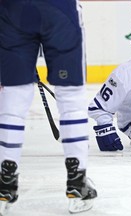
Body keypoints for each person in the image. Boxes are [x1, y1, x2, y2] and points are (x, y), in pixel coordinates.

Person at [0, 0, 97, 214]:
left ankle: (5, 180)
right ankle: (77, 182)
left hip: (12, 10)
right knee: (71, 97)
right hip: (59, 9)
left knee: (14, 97)